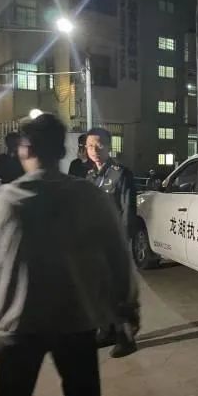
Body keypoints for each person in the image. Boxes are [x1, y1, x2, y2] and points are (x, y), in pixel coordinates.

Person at [0, 113, 139, 396]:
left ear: (25, 149)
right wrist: (126, 307)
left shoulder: (5, 201)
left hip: (19, 322)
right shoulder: (89, 196)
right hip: (75, 319)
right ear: (63, 151)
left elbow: (0, 251)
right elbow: (117, 256)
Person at [86, 127, 138, 357]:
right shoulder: (90, 176)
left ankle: (126, 338)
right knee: (99, 290)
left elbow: (128, 211)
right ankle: (106, 331)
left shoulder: (121, 174)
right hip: (95, 244)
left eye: (99, 145)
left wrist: (124, 243)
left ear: (108, 147)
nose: (94, 150)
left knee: (118, 292)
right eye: (90, 146)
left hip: (114, 243)